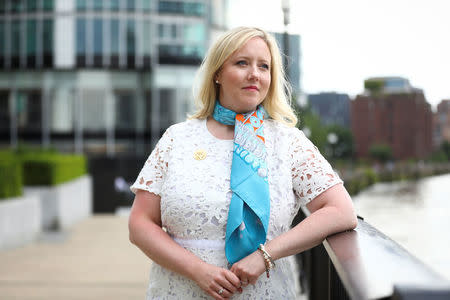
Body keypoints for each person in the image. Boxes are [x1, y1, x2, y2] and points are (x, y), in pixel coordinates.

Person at [128, 26, 357, 300]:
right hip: (179, 289)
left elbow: (341, 211)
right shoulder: (177, 138)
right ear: (217, 74)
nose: (255, 74)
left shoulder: (289, 142)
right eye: (242, 63)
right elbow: (140, 223)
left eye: (264, 66)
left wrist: (265, 255)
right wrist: (198, 270)